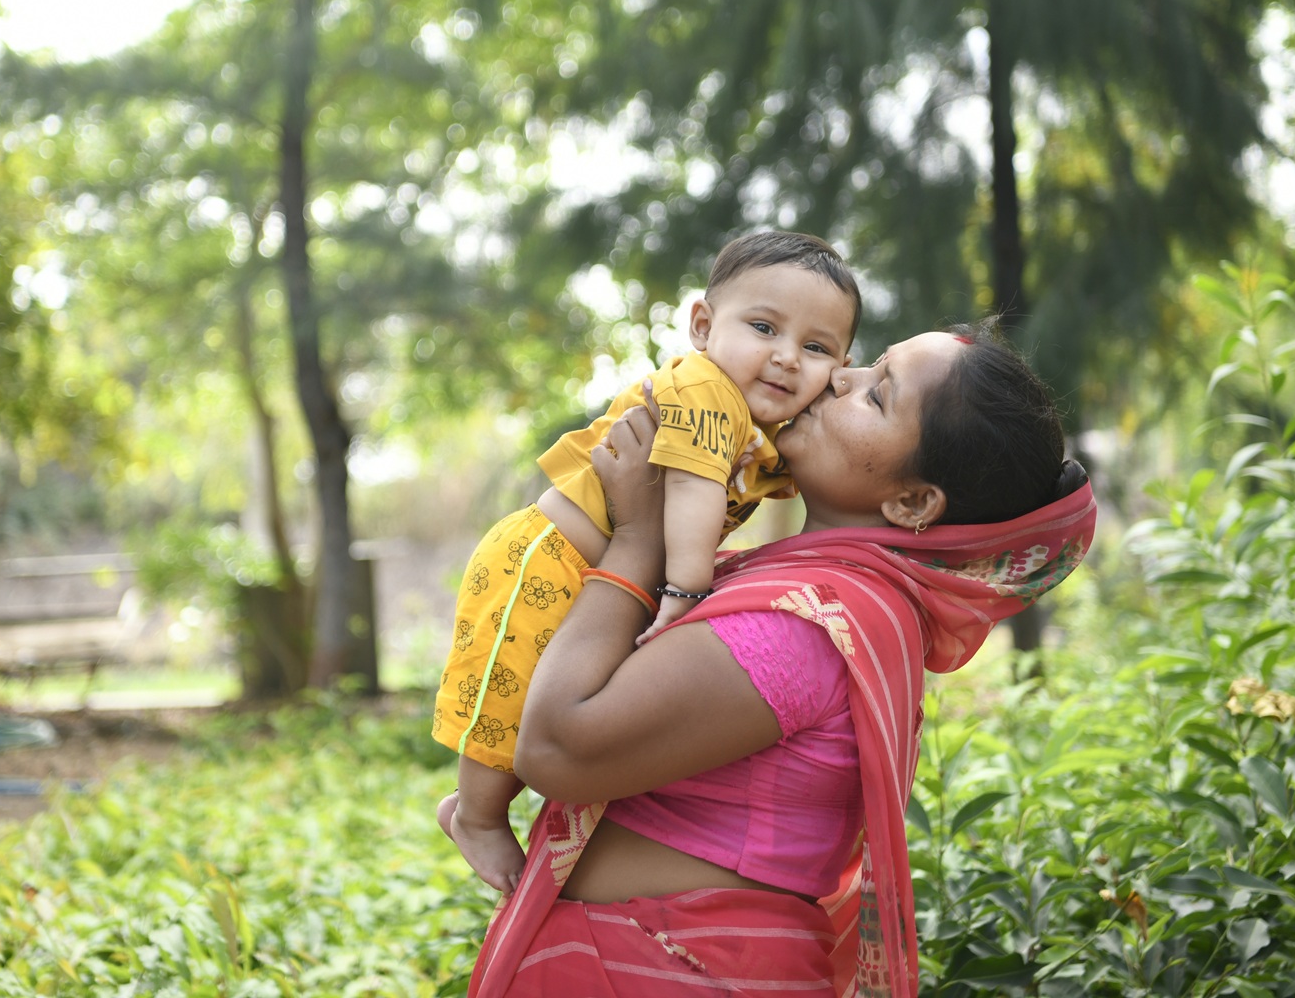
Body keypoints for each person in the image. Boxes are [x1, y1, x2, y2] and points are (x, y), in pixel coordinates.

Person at [468, 324, 1097, 998]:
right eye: (870, 364)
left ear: (912, 502)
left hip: (671, 970)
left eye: (877, 395)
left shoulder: (805, 622)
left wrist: (637, 538)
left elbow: (557, 748)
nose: (839, 376)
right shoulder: (826, 596)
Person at [434, 232, 864, 894]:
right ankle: (476, 815)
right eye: (763, 328)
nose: (785, 357)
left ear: (839, 367)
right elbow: (692, 488)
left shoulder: (764, 428)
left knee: (552, 690)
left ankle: (485, 809)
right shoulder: (706, 390)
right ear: (703, 326)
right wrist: (686, 592)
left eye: (815, 347)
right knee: (510, 689)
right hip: (547, 557)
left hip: (607, 571)